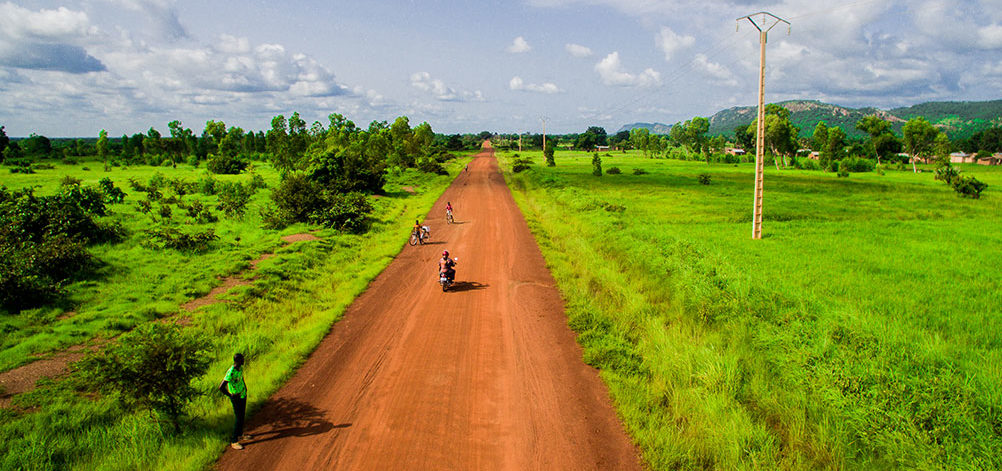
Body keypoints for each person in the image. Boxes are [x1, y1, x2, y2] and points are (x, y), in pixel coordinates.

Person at [219, 353, 251, 450]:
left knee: (242, 416)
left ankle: (241, 434)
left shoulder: (240, 368)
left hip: (242, 395)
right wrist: (230, 395)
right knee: (238, 418)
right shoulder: (231, 372)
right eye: (242, 359)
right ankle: (234, 441)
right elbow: (221, 387)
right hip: (236, 398)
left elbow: (241, 378)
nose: (243, 361)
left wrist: (245, 387)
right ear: (238, 361)